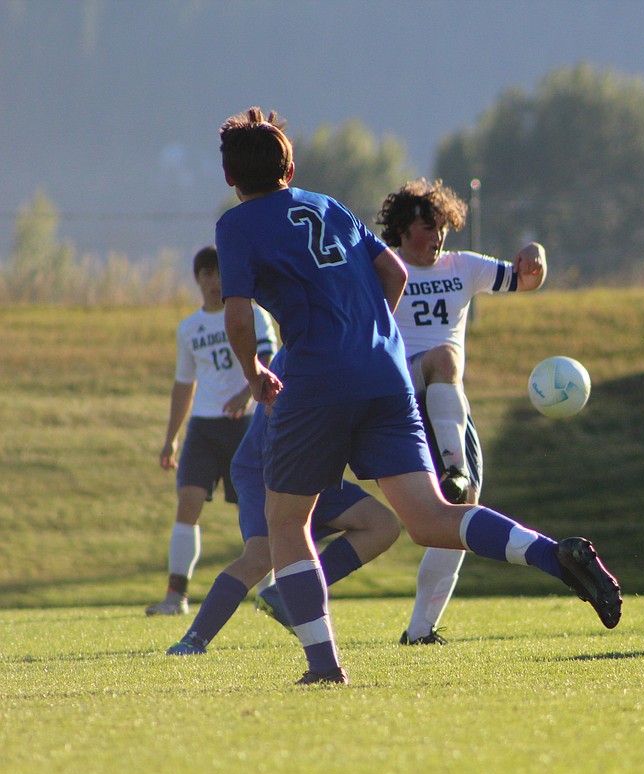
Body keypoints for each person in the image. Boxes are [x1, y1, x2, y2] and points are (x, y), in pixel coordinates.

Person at [215, 107, 620, 686]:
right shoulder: (328, 205)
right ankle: (552, 555)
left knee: (286, 523)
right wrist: (368, 335)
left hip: (315, 382)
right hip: (386, 375)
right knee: (432, 519)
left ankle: (325, 668)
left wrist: (255, 370)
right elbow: (395, 275)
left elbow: (236, 315)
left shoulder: (236, 226)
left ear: (230, 178)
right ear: (291, 165)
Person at [376, 177, 547, 645]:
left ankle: (420, 631)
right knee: (444, 358)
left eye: (443, 228)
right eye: (427, 228)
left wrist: (535, 252)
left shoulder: (463, 268)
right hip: (400, 398)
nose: (437, 238)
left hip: (449, 403)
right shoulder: (384, 270)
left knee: (464, 513)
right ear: (403, 228)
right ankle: (453, 466)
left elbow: (528, 279)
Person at [167, 351, 401, 654]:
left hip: (314, 466)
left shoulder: (363, 350)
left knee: (381, 525)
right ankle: (193, 640)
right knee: (261, 556)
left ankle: (285, 594)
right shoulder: (304, 353)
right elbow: (278, 414)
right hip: (266, 466)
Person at [147, 246, 275, 616]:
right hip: (204, 429)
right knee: (187, 503)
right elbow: (184, 384)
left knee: (263, 511)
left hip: (247, 425)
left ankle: (269, 592)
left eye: (219, 272)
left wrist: (245, 392)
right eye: (206, 273)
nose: (213, 281)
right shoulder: (188, 328)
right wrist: (171, 437)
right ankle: (176, 595)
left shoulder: (252, 315)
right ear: (198, 278)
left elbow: (267, 359)